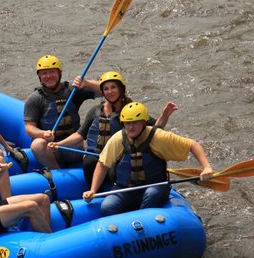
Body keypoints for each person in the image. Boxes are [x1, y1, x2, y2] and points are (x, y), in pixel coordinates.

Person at [48, 71, 177, 189]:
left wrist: (164, 116)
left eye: (113, 87)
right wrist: (58, 144)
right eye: (106, 89)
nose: (110, 91)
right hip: (95, 158)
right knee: (89, 161)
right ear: (102, 92)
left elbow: (156, 129)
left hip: (117, 158)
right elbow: (80, 135)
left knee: (115, 166)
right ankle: (95, 192)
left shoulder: (131, 110)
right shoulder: (95, 111)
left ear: (121, 89)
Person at [82, 102, 213, 217]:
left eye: (135, 123)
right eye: (127, 123)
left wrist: (206, 167)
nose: (131, 127)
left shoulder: (158, 137)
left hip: (155, 187)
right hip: (125, 189)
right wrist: (93, 190)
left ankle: (142, 220)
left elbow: (192, 145)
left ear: (144, 122)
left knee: (151, 195)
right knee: (107, 207)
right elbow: (103, 164)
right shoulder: (118, 138)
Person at [23, 54, 101, 169]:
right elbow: (29, 128)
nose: (48, 76)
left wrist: (87, 82)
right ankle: (57, 172)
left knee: (98, 138)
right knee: (37, 144)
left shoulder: (72, 90)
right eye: (44, 73)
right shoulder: (35, 98)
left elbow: (105, 91)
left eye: (52, 72)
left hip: (75, 144)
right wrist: (43, 134)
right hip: (52, 148)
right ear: (39, 76)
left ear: (59, 73)